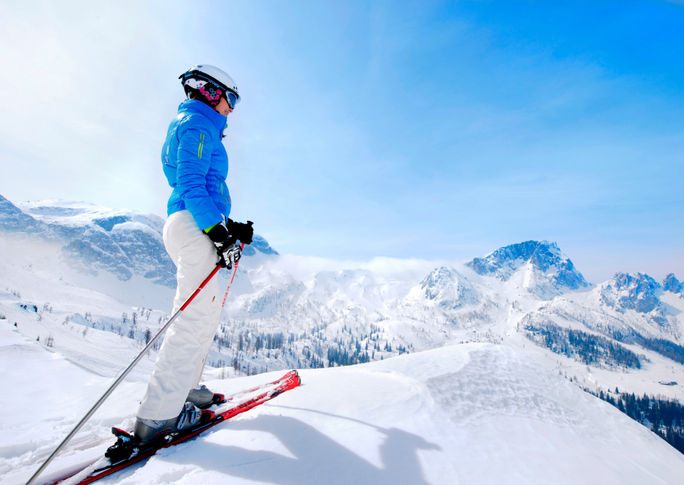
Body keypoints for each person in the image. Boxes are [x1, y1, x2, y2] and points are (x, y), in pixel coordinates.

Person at [134, 64, 254, 443]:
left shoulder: (196, 124)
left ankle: (185, 389)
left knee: (202, 318)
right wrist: (217, 231)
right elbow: (189, 184)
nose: (232, 109)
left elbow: (199, 186)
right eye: (230, 99)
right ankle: (158, 417)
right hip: (193, 225)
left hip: (194, 223)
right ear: (208, 92)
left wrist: (226, 226)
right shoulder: (198, 125)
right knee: (191, 322)